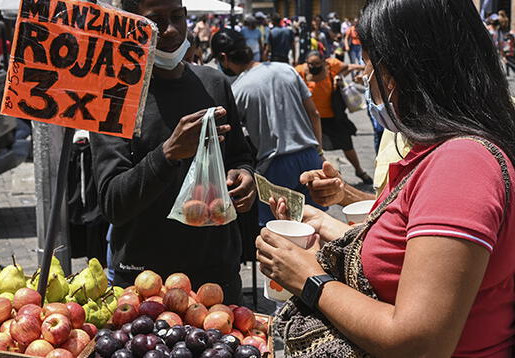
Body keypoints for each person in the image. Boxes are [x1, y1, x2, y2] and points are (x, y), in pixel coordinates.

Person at [259, 1, 515, 356]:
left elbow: (421, 344)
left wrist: (309, 279)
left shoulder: (462, 164)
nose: (365, 76)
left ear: (398, 74)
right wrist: (322, 227)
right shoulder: (434, 153)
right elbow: (403, 250)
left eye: (368, 61)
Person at [91, 0, 256, 304]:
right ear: (133, 25)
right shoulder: (114, 96)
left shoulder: (215, 84)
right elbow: (113, 203)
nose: (171, 29)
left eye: (177, 16)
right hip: (145, 284)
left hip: (216, 279)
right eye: (155, 20)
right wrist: (167, 154)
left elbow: (239, 157)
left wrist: (245, 178)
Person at [212, 29, 324, 226]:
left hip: (275, 166)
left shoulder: (238, 90)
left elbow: (235, 134)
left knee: (277, 230)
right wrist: (319, 151)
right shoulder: (286, 69)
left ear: (223, 58)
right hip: (310, 157)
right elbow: (314, 114)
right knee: (318, 223)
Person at [296, 51, 372, 184]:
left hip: (333, 117)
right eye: (310, 64)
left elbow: (347, 67)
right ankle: (317, 176)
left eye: (317, 64)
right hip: (311, 120)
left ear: (324, 62)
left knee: (347, 145)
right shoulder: (300, 72)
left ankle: (359, 170)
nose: (314, 67)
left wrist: (365, 68)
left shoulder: (332, 66)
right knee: (314, 150)